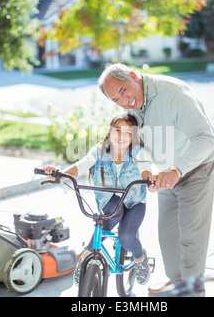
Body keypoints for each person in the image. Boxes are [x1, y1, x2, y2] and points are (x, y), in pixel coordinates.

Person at [97, 63, 214, 294]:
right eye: (116, 99)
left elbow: (207, 138)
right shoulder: (133, 108)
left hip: (196, 168)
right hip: (166, 174)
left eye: (123, 91)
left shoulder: (173, 94)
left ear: (134, 76)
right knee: (167, 235)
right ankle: (177, 284)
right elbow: (137, 144)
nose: (124, 101)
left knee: (191, 240)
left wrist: (176, 170)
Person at [43, 113, 153, 285]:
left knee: (126, 236)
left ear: (134, 136)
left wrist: (149, 179)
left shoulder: (139, 152)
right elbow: (80, 166)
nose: (122, 137)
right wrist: (59, 175)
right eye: (118, 130)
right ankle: (86, 257)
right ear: (110, 131)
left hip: (134, 200)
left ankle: (140, 258)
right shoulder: (99, 151)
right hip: (109, 198)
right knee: (109, 217)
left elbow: (145, 169)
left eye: (128, 133)